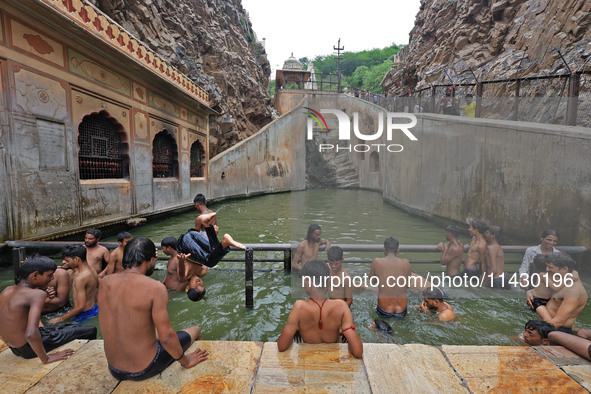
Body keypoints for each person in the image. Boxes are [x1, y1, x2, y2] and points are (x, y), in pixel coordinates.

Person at [99, 237, 209, 381]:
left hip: (114, 369)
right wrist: (185, 361)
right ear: (152, 258)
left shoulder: (105, 282)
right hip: (144, 369)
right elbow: (166, 337)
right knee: (196, 330)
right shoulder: (155, 288)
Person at [0, 255, 96, 361]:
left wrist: (43, 293)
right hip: (29, 348)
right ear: (35, 275)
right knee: (90, 330)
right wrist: (46, 358)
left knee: (74, 327)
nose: (52, 278)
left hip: (14, 348)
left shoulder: (8, 290)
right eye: (49, 275)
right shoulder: (36, 294)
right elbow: (31, 333)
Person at [277, 260, 363, 358]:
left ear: (308, 282)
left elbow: (282, 346)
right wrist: (346, 331)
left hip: (309, 361)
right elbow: (358, 352)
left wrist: (296, 329)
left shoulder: (299, 307)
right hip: (333, 360)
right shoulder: (341, 306)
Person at [177, 212, 245, 271]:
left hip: (184, 242)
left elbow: (182, 278)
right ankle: (207, 224)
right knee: (213, 249)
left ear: (167, 248)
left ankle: (225, 243)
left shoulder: (176, 255)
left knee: (209, 262)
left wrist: (180, 261)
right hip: (192, 233)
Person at [537, 253, 587, 333]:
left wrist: (537, 333)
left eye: (550, 267)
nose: (547, 269)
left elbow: (559, 322)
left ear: (564, 269)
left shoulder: (572, 290)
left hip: (557, 330)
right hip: (549, 325)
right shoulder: (566, 278)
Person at [49, 245, 99, 324]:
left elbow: (80, 306)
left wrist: (60, 319)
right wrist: (92, 300)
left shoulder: (80, 278)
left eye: (67, 260)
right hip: (94, 309)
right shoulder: (91, 269)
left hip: (83, 315)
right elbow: (101, 287)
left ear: (77, 259)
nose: (63, 262)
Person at [369, 237, 411, 319]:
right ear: (398, 250)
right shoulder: (406, 263)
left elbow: (372, 282)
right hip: (402, 308)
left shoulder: (376, 261)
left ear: (384, 249)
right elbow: (407, 285)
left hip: (384, 308)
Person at [526, 254, 553, 319]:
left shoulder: (543, 275)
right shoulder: (543, 275)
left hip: (540, 299)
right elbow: (554, 287)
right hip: (538, 300)